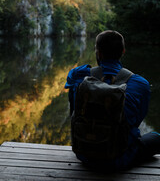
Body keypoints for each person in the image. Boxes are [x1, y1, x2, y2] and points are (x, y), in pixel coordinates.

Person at [65, 30, 160, 171]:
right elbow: (135, 121)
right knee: (156, 137)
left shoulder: (78, 75)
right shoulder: (140, 83)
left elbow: (74, 111)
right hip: (119, 157)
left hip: (84, 153)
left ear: (98, 53)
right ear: (123, 51)